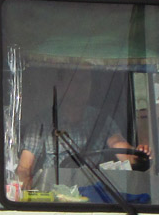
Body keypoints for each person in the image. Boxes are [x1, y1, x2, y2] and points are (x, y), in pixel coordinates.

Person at [15, 75, 148, 191]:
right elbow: (25, 167)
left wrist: (139, 155)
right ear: (61, 86)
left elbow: (121, 147)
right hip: (55, 198)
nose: (81, 86)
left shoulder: (101, 120)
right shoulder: (42, 123)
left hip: (94, 198)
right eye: (75, 80)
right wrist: (25, 182)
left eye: (86, 80)